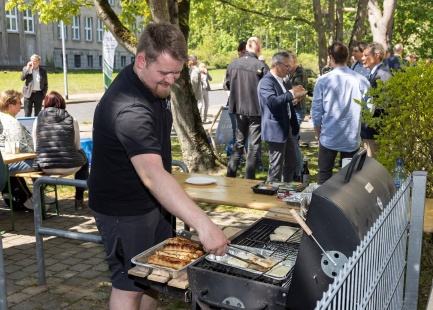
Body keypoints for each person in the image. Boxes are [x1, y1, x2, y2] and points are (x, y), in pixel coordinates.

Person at [87, 23, 228, 309]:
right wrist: (204, 225)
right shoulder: (129, 108)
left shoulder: (152, 85)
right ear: (141, 60)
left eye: (176, 74)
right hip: (122, 210)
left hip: (151, 205)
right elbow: (152, 174)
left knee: (155, 278)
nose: (170, 81)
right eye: (164, 73)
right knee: (129, 286)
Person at [311, 42, 370, 184]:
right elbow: (370, 107)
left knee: (324, 175)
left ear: (331, 57)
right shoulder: (361, 80)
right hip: (351, 138)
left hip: (328, 136)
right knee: (349, 180)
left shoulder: (323, 80)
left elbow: (316, 110)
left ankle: (321, 205)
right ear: (348, 57)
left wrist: (318, 133)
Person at [32, 91, 89, 210]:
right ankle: (79, 198)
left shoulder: (37, 121)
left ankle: (40, 198)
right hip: (71, 165)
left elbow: (35, 147)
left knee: (31, 165)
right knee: (85, 161)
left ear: (45, 104)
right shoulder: (72, 119)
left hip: (46, 166)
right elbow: (77, 146)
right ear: (62, 103)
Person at [225, 37, 269, 179]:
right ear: (258, 48)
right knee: (253, 145)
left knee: (239, 143)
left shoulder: (233, 64)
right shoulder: (261, 65)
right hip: (255, 109)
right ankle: (248, 178)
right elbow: (267, 89)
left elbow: (227, 84)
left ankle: (231, 174)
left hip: (238, 108)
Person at [258, 51, 305, 182]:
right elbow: (272, 102)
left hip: (286, 128)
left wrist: (293, 100)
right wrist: (291, 93)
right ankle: (271, 195)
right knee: (276, 167)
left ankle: (285, 189)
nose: (289, 70)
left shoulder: (281, 81)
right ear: (277, 64)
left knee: (292, 161)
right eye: (287, 66)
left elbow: (282, 101)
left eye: (290, 66)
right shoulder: (266, 82)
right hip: (275, 129)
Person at [0, 89, 39, 209]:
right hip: (9, 163)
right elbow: (22, 147)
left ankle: (32, 197)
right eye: (19, 102)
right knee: (42, 163)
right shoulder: (12, 123)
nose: (21, 105)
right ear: (10, 105)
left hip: (4, 162)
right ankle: (34, 199)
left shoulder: (2, 117)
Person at [360, 42, 392, 158]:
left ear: (377, 55)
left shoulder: (382, 74)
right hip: (369, 132)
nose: (362, 58)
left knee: (373, 169)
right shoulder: (376, 73)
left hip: (375, 133)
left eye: (366, 55)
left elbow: (384, 105)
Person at [285, 50, 308, 181]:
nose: (287, 67)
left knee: (292, 140)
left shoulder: (300, 72)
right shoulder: (290, 73)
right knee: (293, 140)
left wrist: (289, 97)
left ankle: (298, 170)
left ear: (294, 60)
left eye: (289, 63)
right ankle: (294, 168)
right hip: (291, 109)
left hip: (298, 109)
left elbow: (299, 92)